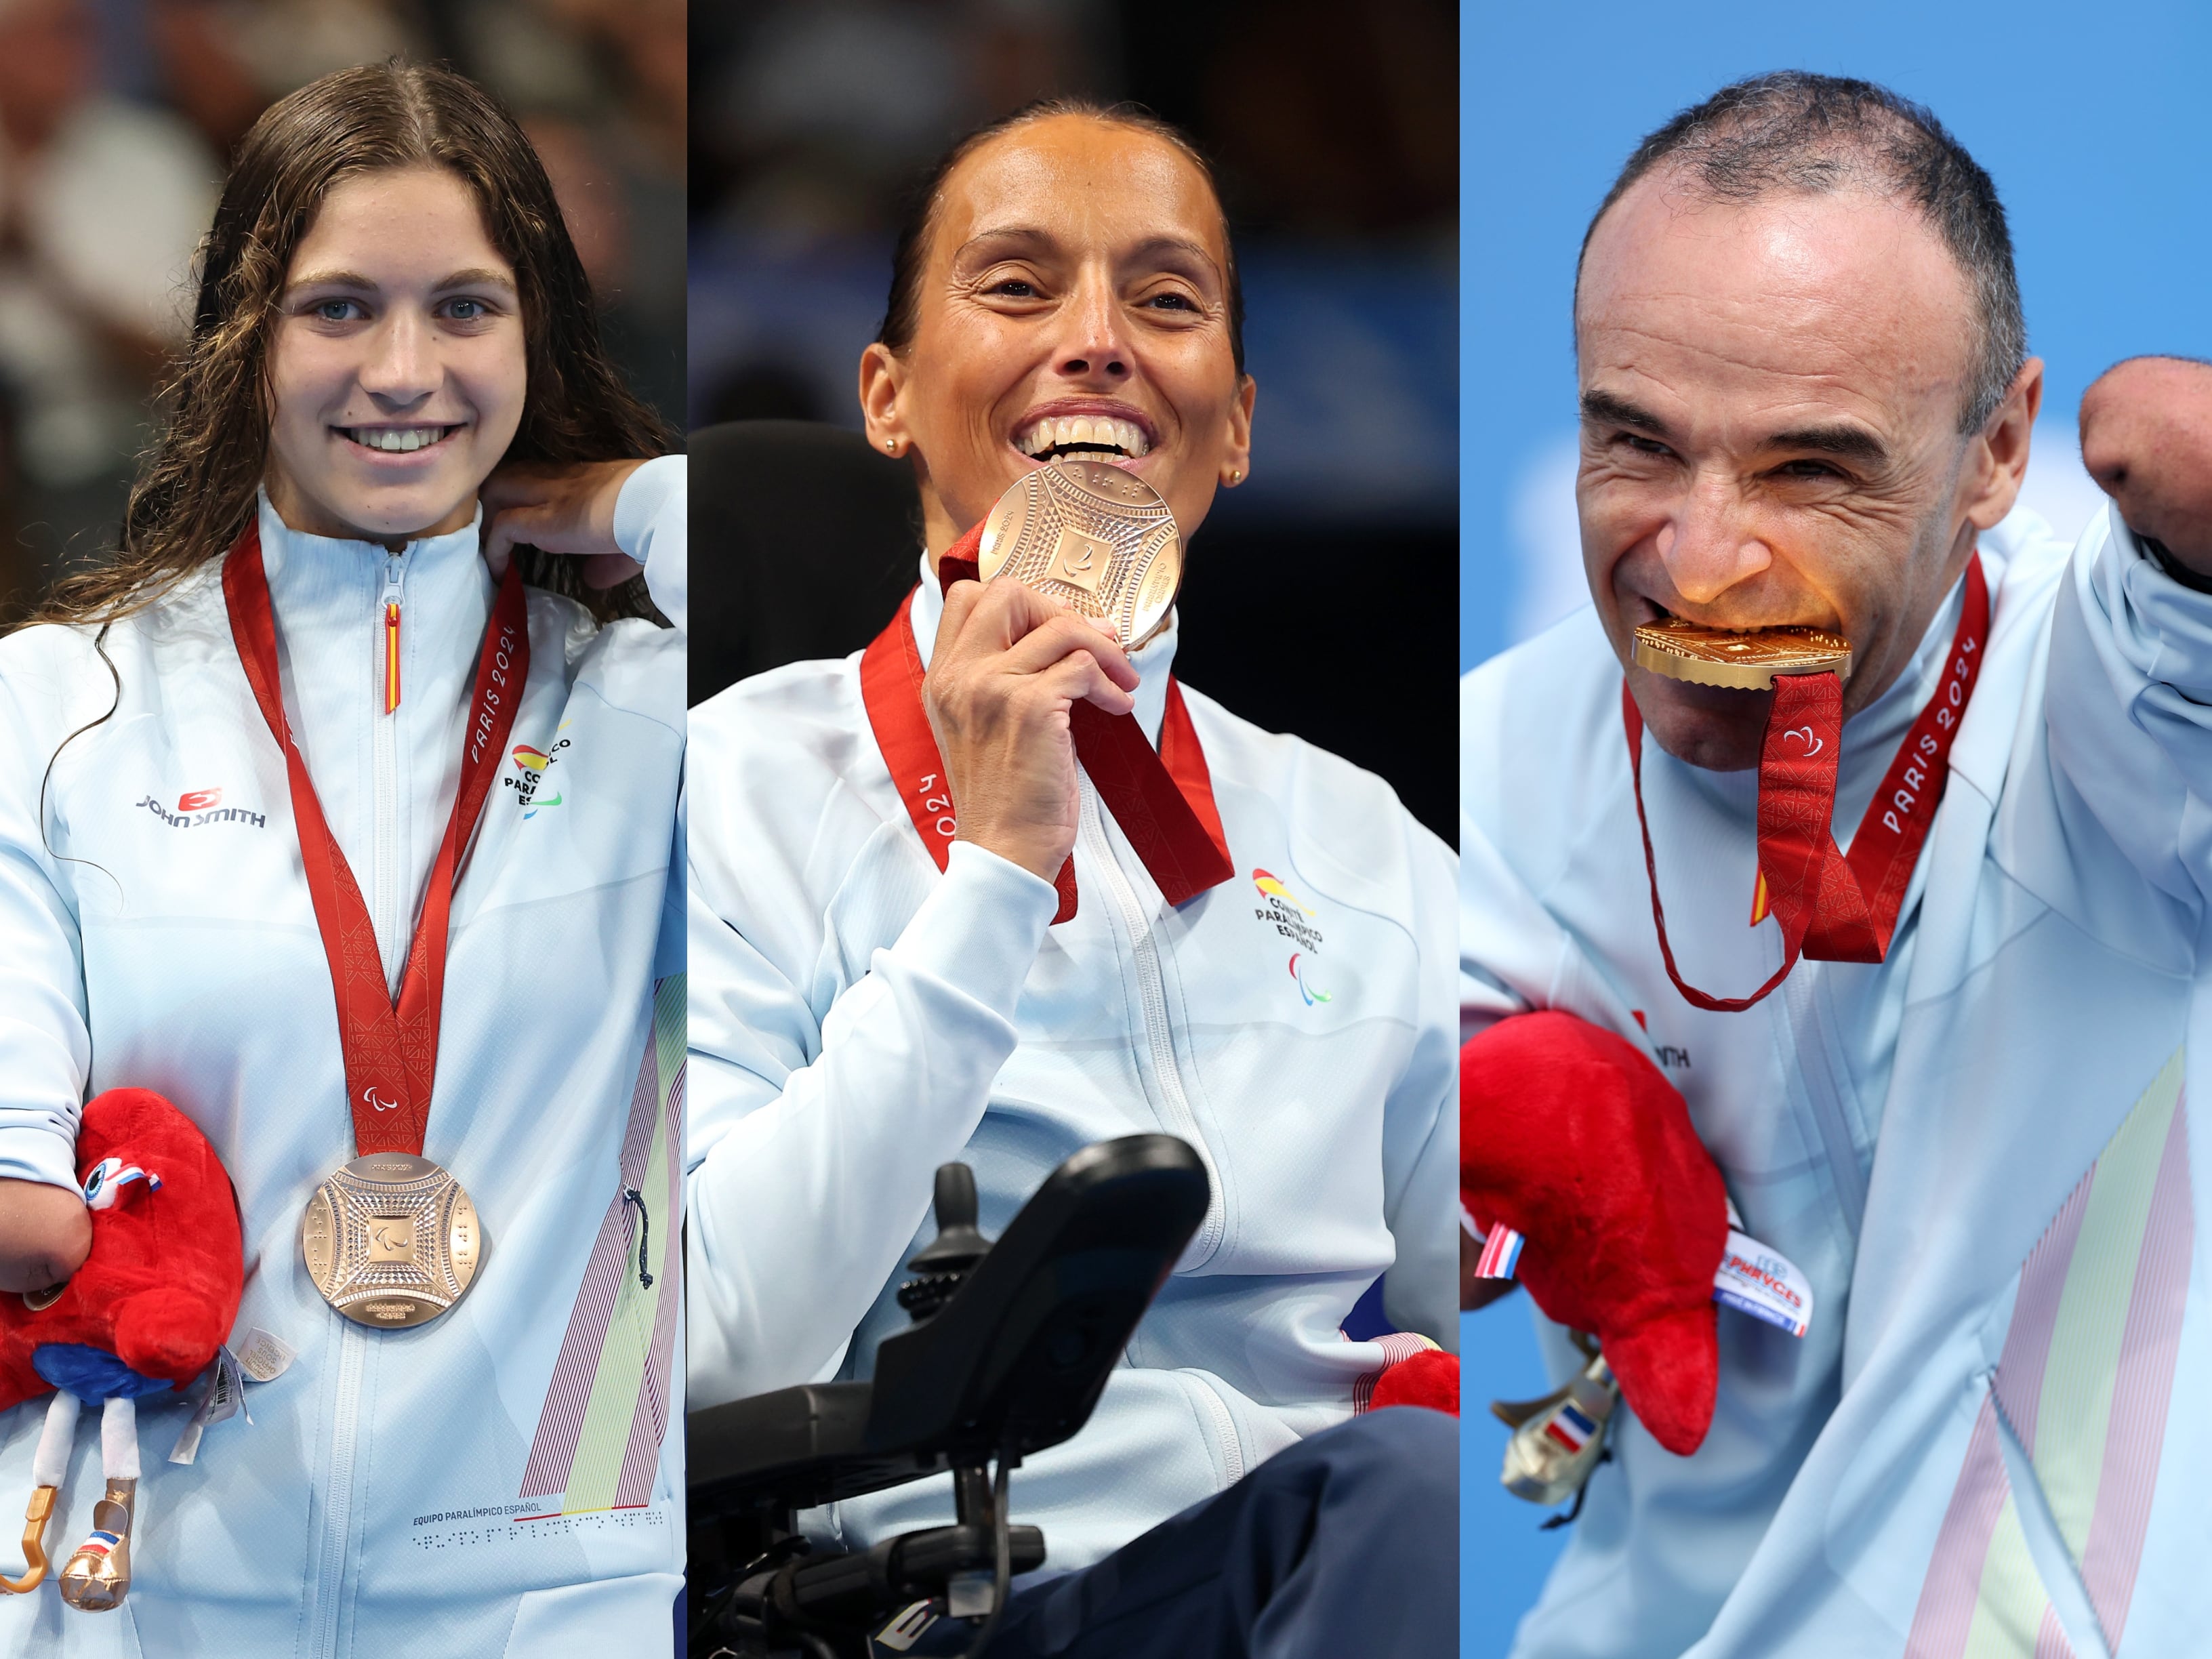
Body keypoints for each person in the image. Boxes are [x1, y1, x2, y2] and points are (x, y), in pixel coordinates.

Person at [686, 100, 1457, 1655]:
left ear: (1233, 423)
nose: (1097, 340)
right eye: (1021, 286)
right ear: (889, 398)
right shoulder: (721, 795)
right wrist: (988, 879)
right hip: (946, 1609)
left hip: (1335, 1556)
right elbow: (708, 1352)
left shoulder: (1362, 842)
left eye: (1164, 300)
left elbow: (1518, 1302)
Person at [1462, 73, 2212, 1658]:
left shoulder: (2112, 708)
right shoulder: (1478, 772)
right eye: (1637, 443)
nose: (1702, 557)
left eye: (1811, 470)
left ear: (2000, 451)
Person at [0, 62, 685, 1654]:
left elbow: (876, 564)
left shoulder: (652, 715)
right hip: (136, 1590)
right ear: (244, 336)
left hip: (549, 1602)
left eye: (465, 309)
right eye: (337, 310)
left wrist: (627, 499)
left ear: (539, 336)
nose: (402, 370)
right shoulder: (56, 706)